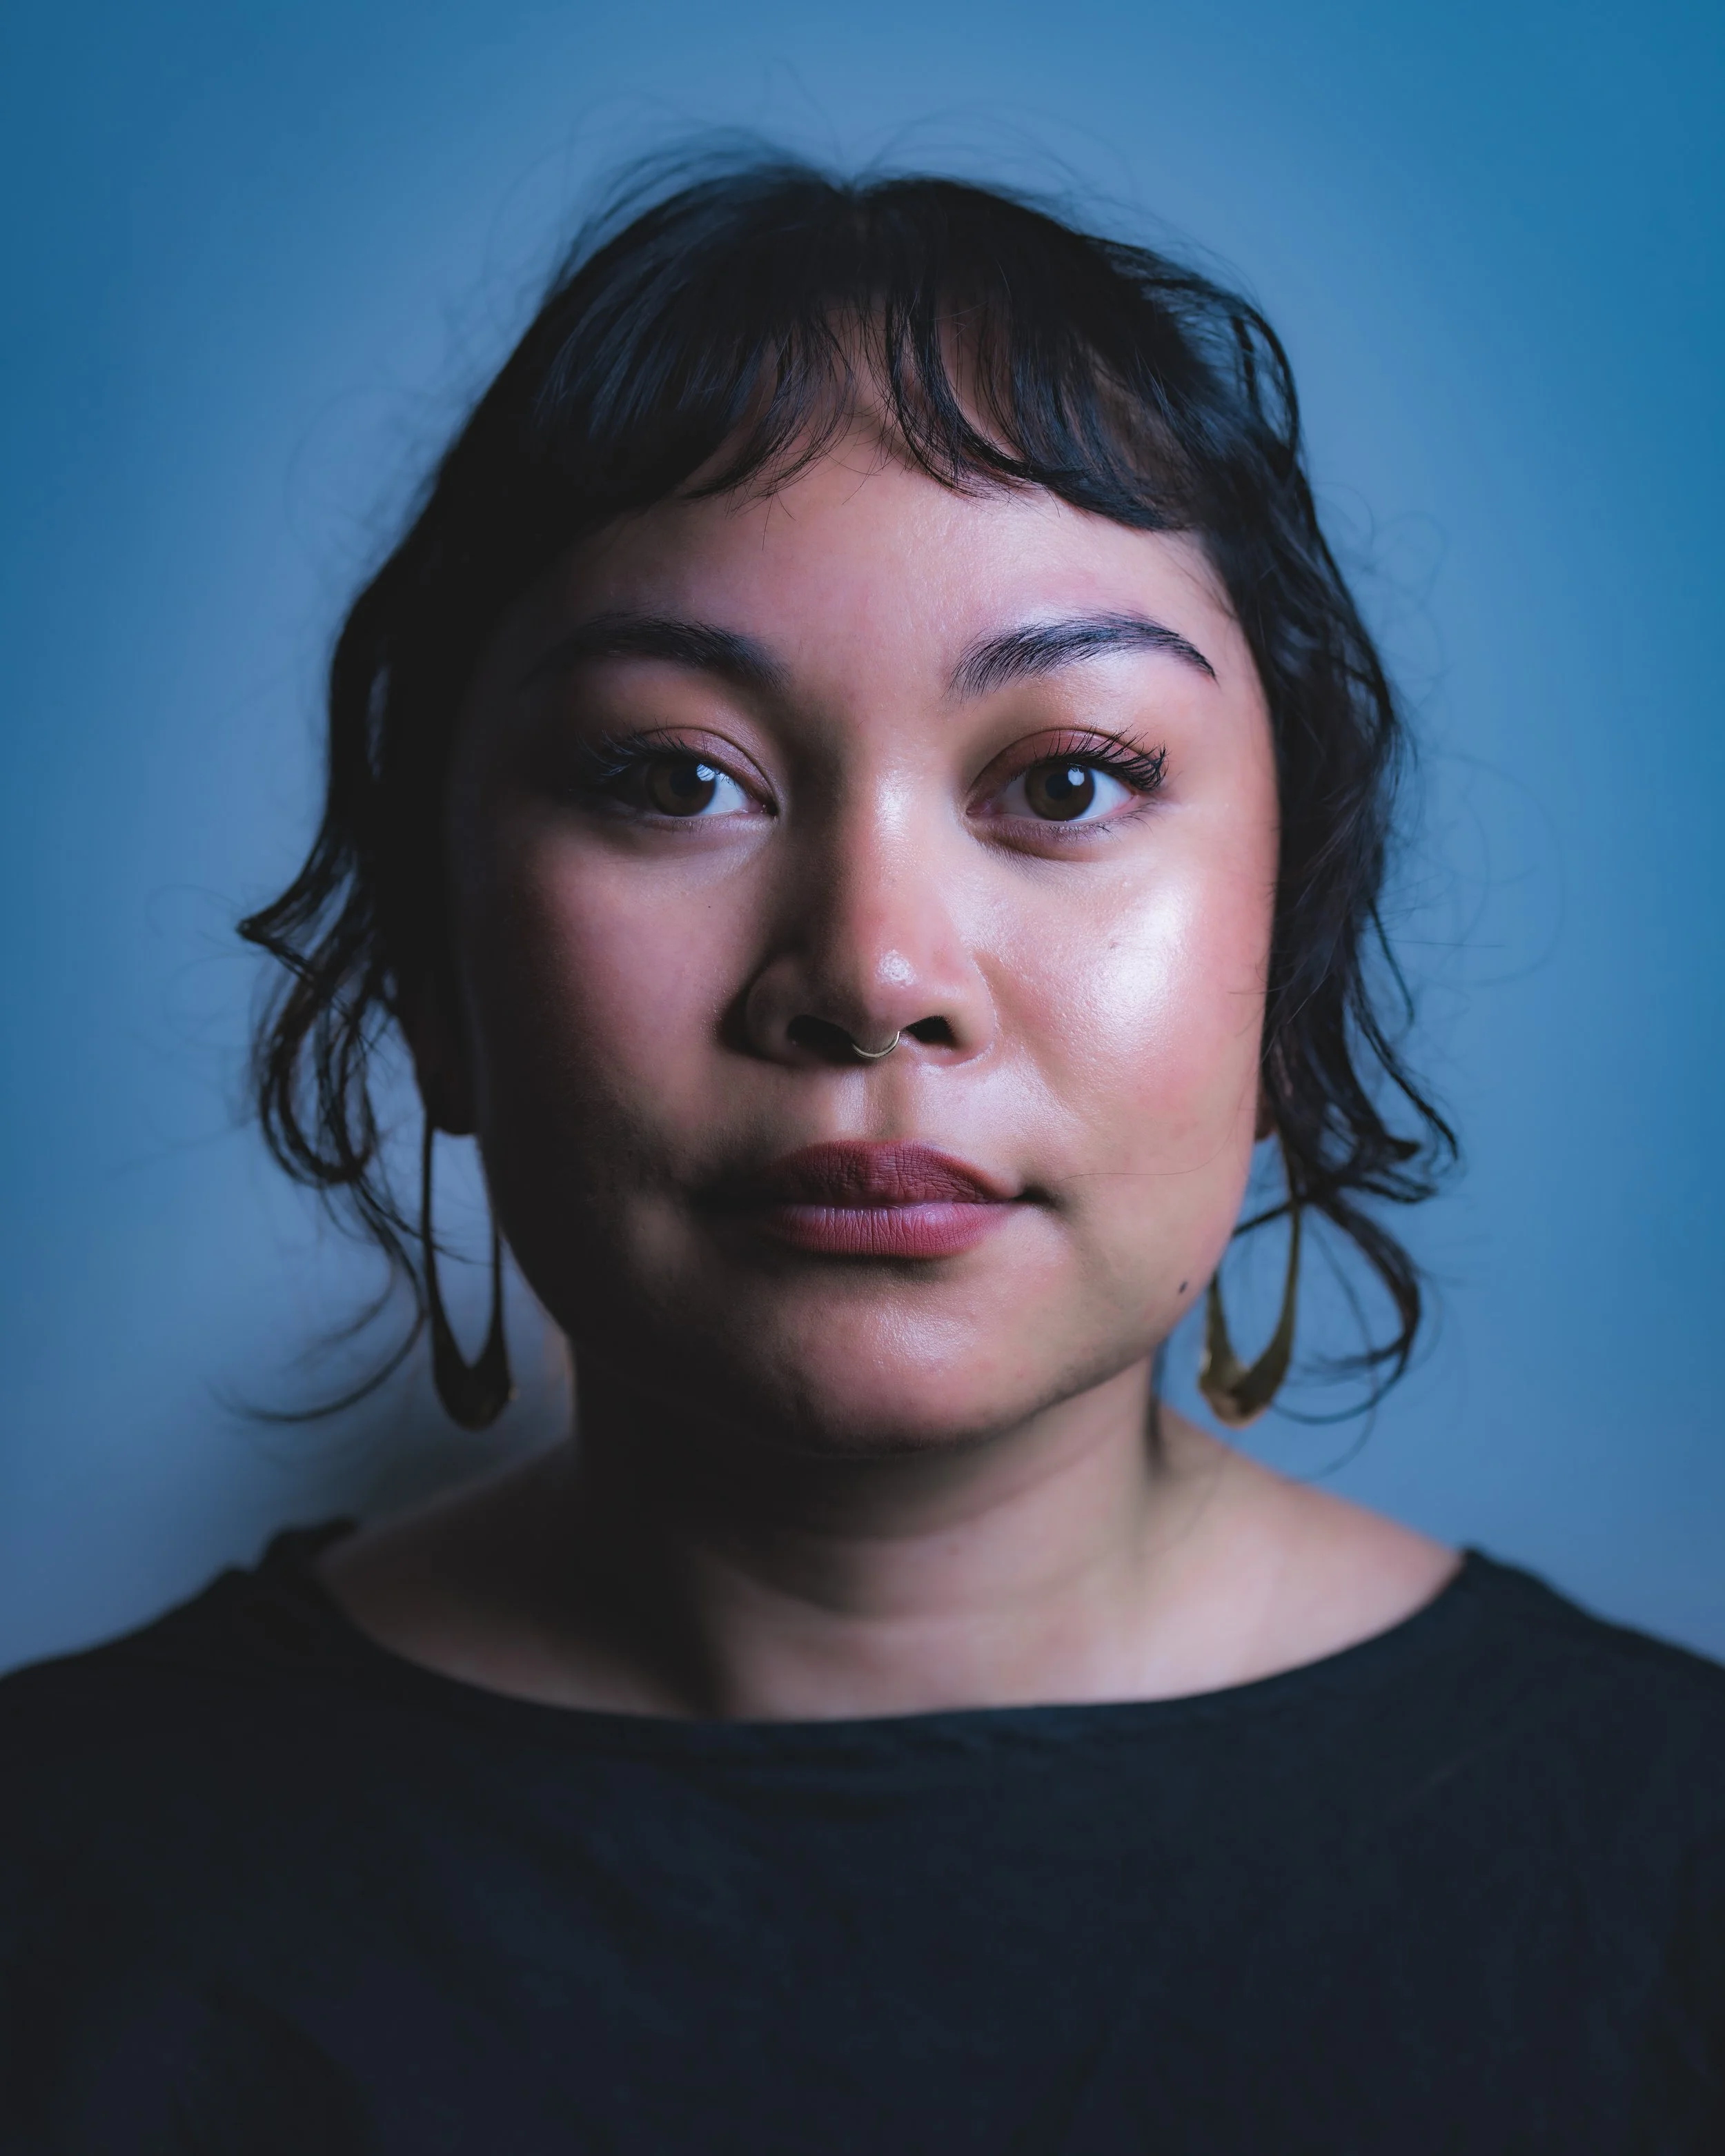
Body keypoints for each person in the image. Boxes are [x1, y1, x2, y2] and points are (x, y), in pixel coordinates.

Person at [1, 157, 1720, 2154]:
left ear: (1285, 945)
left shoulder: (1667, 1876)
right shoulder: (62, 1889)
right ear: (436, 958)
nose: (875, 973)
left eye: (1066, 780)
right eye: (676, 778)